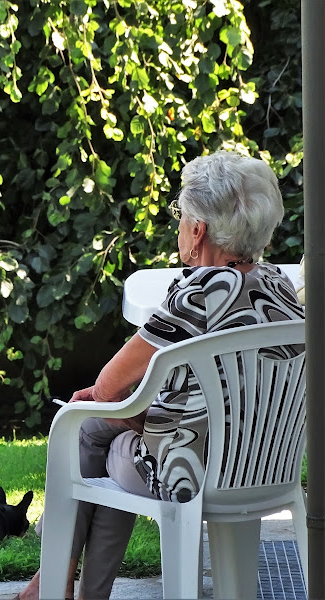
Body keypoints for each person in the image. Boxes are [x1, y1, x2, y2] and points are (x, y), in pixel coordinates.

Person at [18, 150, 305, 600]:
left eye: (182, 215)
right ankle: (62, 588)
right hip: (266, 470)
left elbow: (110, 387)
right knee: (108, 433)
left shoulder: (197, 293)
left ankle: (53, 585)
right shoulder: (280, 286)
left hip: (189, 474)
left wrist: (134, 416)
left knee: (87, 427)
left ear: (198, 230)